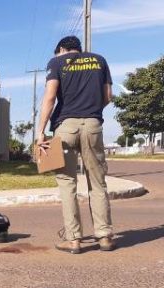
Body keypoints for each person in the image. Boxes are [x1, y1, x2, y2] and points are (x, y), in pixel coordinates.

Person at [36, 36, 115, 254]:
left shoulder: (56, 62)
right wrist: (91, 111)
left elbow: (50, 97)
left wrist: (41, 132)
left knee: (67, 184)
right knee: (97, 183)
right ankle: (104, 236)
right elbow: (108, 96)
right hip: (93, 126)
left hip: (65, 128)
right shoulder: (99, 60)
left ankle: (73, 240)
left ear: (62, 49)